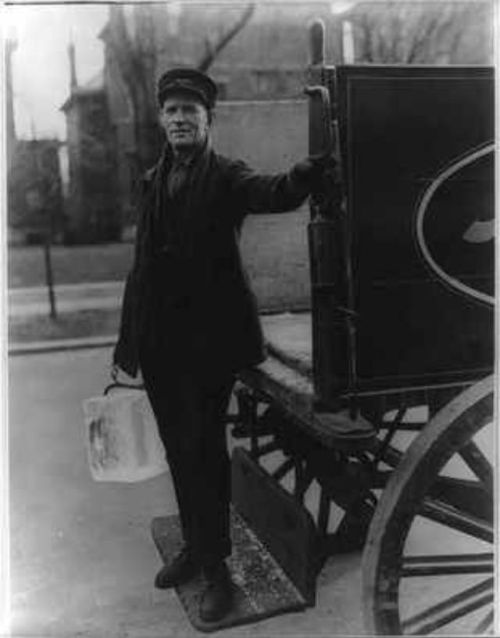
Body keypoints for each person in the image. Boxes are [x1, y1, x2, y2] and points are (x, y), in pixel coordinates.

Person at [112, 67, 333, 622]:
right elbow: (141, 268)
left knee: (204, 457)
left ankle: (217, 572)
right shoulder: (152, 179)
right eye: (172, 111)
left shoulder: (226, 175)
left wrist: (305, 174)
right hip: (161, 344)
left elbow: (274, 191)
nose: (180, 119)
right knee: (179, 454)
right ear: (162, 121)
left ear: (208, 119)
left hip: (208, 345)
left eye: (191, 110)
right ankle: (195, 548)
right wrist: (128, 344)